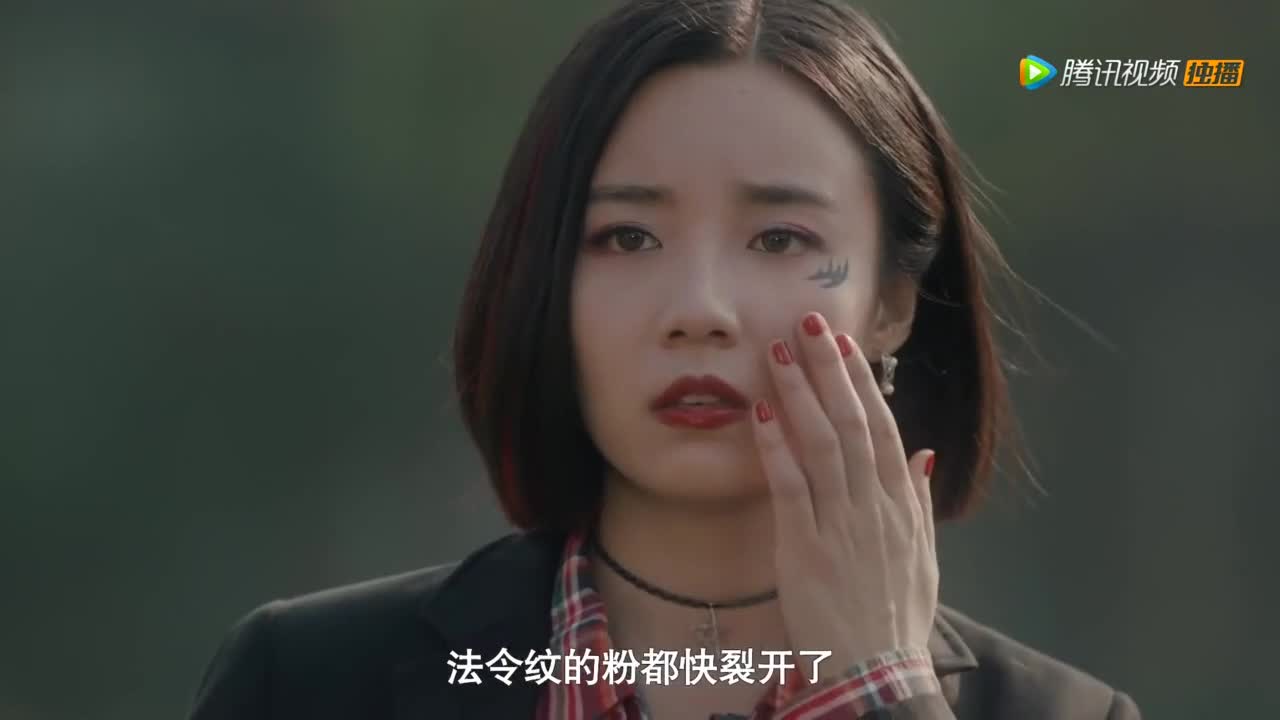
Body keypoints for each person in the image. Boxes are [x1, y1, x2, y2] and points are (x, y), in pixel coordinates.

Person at [188, 0, 1142, 718]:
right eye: (628, 238)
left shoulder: (1067, 714)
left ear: (893, 305)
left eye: (778, 239)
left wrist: (885, 689)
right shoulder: (307, 680)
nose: (698, 312)